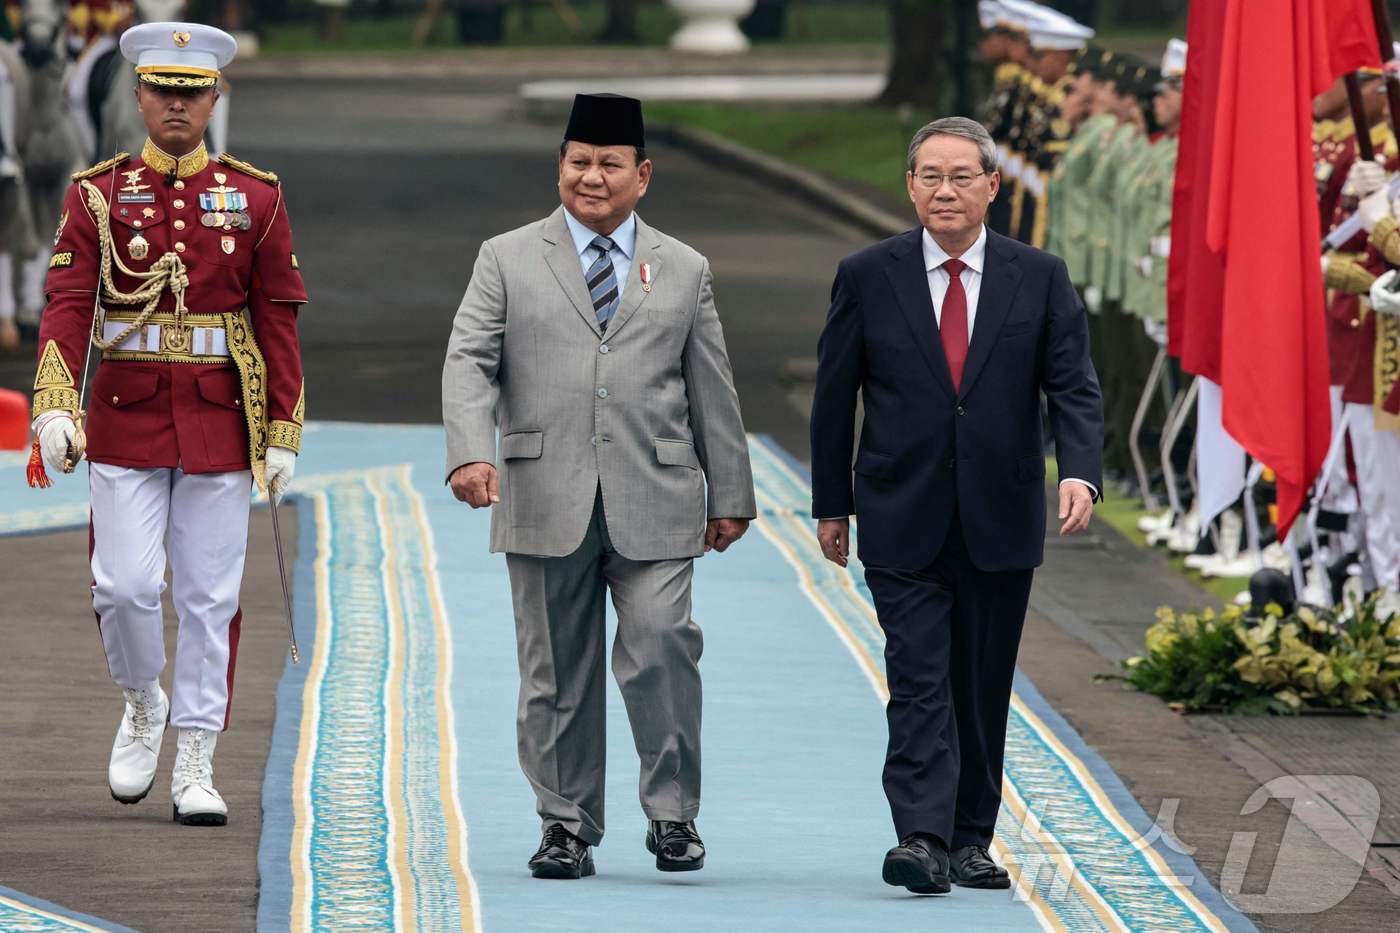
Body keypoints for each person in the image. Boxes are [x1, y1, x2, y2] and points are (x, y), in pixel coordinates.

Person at [441, 93, 756, 880]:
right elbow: (469, 360)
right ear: (560, 166)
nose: (591, 176)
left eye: (609, 163)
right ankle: (565, 824)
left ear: (641, 175)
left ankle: (673, 813)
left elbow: (711, 384)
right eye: (578, 160)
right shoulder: (505, 256)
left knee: (661, 645)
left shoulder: (685, 268)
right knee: (555, 670)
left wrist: (732, 490)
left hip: (658, 491)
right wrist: (470, 452)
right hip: (542, 491)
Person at [809, 116, 1103, 894]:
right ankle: (921, 834)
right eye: (930, 176)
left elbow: (1072, 385)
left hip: (1001, 514)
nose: (945, 190)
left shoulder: (1038, 276)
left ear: (992, 186)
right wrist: (831, 503)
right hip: (900, 512)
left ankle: (972, 836)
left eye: (961, 176)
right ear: (910, 187)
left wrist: (1079, 472)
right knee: (919, 678)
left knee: (980, 684)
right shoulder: (867, 274)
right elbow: (835, 399)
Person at [28, 21, 306, 825]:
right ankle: (143, 699)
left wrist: (282, 429)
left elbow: (278, 318)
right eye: (163, 91)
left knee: (211, 597)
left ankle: (196, 758)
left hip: (221, 420)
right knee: (123, 586)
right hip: (124, 415)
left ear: (215, 96)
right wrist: (52, 402)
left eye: (193, 92)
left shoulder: (257, 196)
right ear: (140, 96)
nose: (178, 106)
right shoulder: (98, 193)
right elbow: (69, 303)